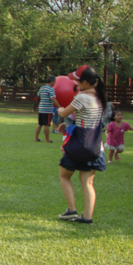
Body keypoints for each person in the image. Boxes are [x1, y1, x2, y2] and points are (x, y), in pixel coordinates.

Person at [56, 65, 106, 225]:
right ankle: (87, 217)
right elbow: (87, 121)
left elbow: (64, 113)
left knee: (64, 175)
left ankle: (71, 210)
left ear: (85, 82)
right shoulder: (100, 98)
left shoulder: (81, 98)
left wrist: (59, 108)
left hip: (79, 145)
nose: (75, 84)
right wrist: (69, 126)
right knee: (88, 182)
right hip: (96, 146)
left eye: (77, 81)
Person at [35, 76, 60, 143]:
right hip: (47, 109)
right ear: (52, 81)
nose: (54, 83)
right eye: (54, 81)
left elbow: (38, 95)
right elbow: (53, 98)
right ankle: (47, 140)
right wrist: (59, 106)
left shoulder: (42, 88)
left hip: (41, 109)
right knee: (47, 124)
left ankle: (36, 138)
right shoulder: (51, 89)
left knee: (40, 124)